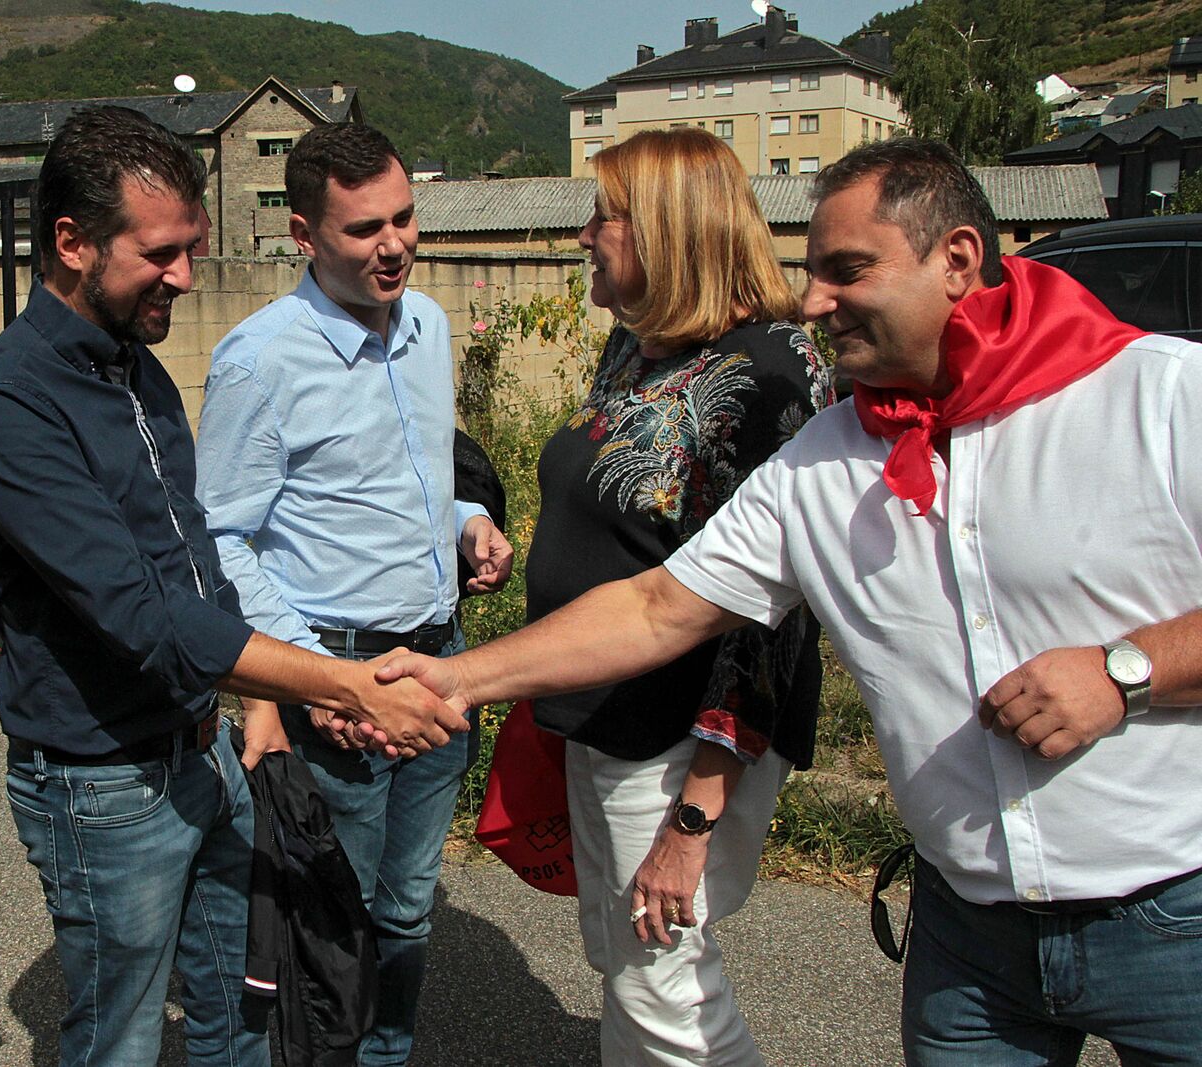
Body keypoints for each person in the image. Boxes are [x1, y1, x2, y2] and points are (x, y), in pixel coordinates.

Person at [378, 137, 1202, 1065]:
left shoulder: (1159, 393)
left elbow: (758, 651)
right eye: (811, 273)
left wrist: (1125, 671)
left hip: (1174, 913)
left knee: (665, 986)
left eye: (846, 272)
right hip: (968, 939)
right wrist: (456, 676)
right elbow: (657, 605)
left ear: (958, 261)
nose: (812, 302)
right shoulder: (827, 458)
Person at [0, 107, 463, 1067]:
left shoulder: (135, 369)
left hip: (202, 748)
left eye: (193, 248)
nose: (186, 275)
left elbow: (198, 554)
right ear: (71, 242)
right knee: (124, 1037)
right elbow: (141, 612)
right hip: (102, 782)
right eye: (162, 252)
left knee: (242, 1012)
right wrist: (333, 682)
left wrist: (259, 698)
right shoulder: (6, 407)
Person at [194, 121, 512, 1065]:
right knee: (331, 917)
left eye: (406, 219)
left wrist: (465, 524)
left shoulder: (430, 327)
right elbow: (222, 537)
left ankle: (386, 1055)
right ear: (303, 234)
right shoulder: (259, 360)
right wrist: (320, 676)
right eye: (364, 229)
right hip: (340, 672)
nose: (395, 245)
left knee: (408, 907)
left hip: (440, 657)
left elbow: (416, 474)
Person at [521, 128, 828, 1066]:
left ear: (664, 228)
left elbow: (771, 615)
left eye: (601, 216)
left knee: (666, 985)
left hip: (678, 737)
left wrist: (695, 816)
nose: (582, 236)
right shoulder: (640, 342)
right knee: (622, 955)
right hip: (602, 714)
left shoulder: (770, 367)